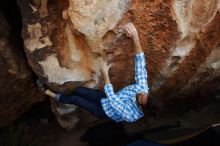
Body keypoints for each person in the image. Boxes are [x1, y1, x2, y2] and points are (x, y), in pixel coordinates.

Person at [37, 23, 149, 122]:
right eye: (145, 93)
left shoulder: (131, 115)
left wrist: (105, 73)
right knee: (78, 90)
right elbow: (140, 63)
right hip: (105, 98)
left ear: (141, 107)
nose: (141, 93)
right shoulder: (143, 89)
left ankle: (49, 93)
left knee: (76, 99)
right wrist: (135, 37)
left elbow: (113, 99)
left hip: (103, 111)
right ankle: (64, 96)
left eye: (141, 97)